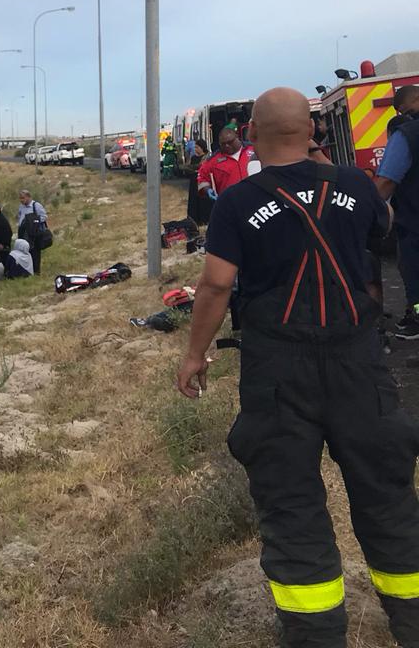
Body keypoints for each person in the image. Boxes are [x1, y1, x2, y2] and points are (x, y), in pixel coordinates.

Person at [175, 87, 419, 648]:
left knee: (291, 506)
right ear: (312, 132)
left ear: (253, 135)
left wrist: (194, 355)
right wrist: (329, 174)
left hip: (278, 371)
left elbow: (215, 284)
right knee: (388, 498)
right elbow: (378, 233)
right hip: (359, 364)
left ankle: (315, 636)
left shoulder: (237, 203)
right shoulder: (355, 186)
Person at [375, 83, 419, 339]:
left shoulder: (406, 135)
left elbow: (385, 183)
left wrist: (366, 212)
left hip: (414, 221)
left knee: (414, 274)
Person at [196, 127, 256, 207]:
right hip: (230, 205)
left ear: (237, 137)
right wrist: (207, 190)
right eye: (223, 144)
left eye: (230, 142)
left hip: (256, 201)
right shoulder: (212, 161)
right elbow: (202, 179)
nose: (227, 146)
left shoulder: (254, 150)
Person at [16, 190, 49, 277]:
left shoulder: (36, 205)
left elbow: (44, 217)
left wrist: (34, 222)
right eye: (20, 198)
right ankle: (26, 271)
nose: (21, 200)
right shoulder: (21, 207)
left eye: (23, 198)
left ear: (28, 197)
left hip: (33, 233)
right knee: (24, 252)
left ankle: (36, 272)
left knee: (34, 252)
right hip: (23, 232)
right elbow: (19, 216)